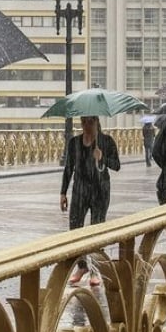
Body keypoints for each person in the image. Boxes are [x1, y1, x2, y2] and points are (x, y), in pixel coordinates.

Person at [59, 116, 121, 286]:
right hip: (80, 190)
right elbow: (68, 168)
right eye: (84, 122)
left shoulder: (106, 141)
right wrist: (63, 192)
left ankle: (95, 269)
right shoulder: (74, 143)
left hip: (100, 191)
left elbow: (117, 165)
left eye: (90, 122)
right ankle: (82, 265)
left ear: (97, 123)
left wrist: (102, 158)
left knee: (96, 229)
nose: (86, 126)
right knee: (75, 228)